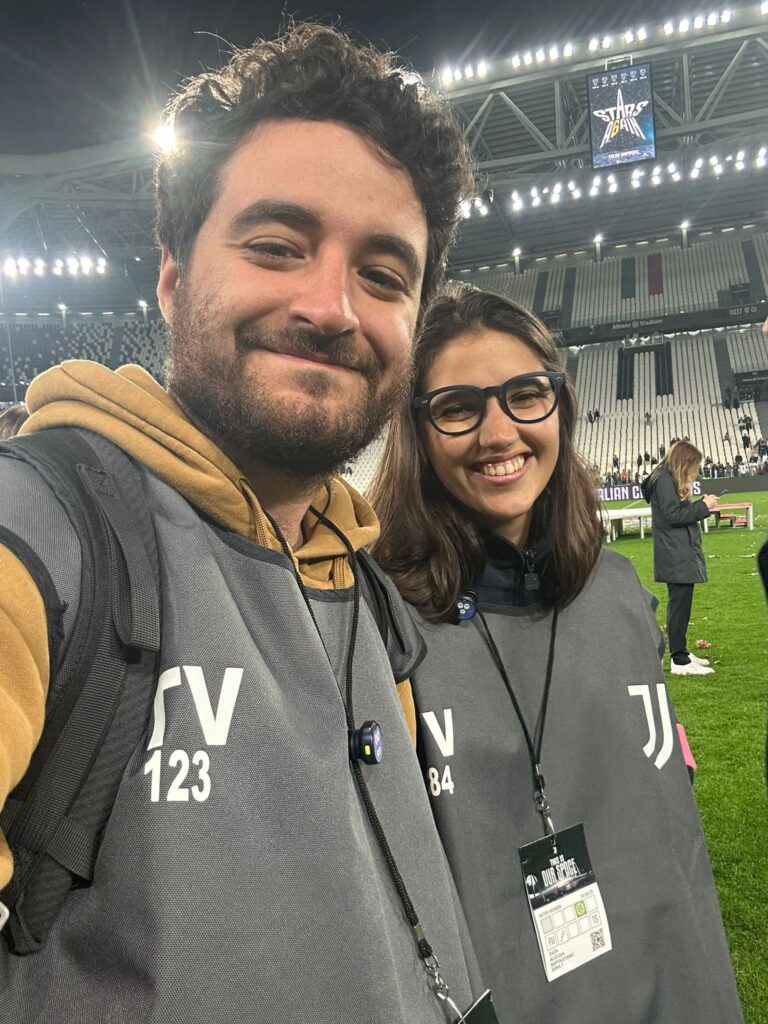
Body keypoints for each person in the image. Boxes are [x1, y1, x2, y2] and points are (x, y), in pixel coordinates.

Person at [0, 25, 487, 1022]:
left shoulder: (365, 589)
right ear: (173, 277)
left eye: (384, 275)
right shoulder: (42, 538)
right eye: (276, 246)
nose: (332, 306)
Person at [369, 286, 744, 1024]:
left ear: (561, 407)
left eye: (525, 395)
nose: (498, 431)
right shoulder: (375, 622)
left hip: (665, 985)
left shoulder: (619, 590)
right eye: (457, 407)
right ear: (417, 431)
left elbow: (669, 831)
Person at [641, 441, 718, 676]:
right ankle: (679, 660)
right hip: (675, 551)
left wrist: (699, 505)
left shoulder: (665, 478)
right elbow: (673, 516)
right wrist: (703, 507)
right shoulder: (664, 480)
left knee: (682, 605)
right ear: (684, 462)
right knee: (679, 606)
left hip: (677, 550)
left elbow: (675, 512)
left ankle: (681, 651)